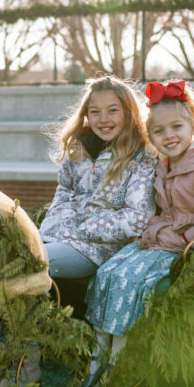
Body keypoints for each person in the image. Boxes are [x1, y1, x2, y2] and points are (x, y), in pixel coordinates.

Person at [81, 79, 194, 387]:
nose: (169, 136)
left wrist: (183, 240)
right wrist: (154, 233)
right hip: (163, 241)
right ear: (150, 135)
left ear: (192, 126)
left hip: (188, 247)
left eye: (176, 127)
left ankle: (118, 364)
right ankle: (96, 356)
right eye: (159, 131)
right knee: (109, 271)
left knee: (130, 281)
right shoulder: (163, 165)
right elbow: (164, 213)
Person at [39, 75, 157, 279]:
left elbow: (138, 217)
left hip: (97, 250)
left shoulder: (140, 157)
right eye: (95, 112)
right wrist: (59, 224)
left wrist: (86, 228)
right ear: (86, 115)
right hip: (59, 237)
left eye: (113, 110)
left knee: (32, 262)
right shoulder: (78, 149)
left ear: (128, 113)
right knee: (9, 255)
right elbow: (64, 190)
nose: (103, 119)